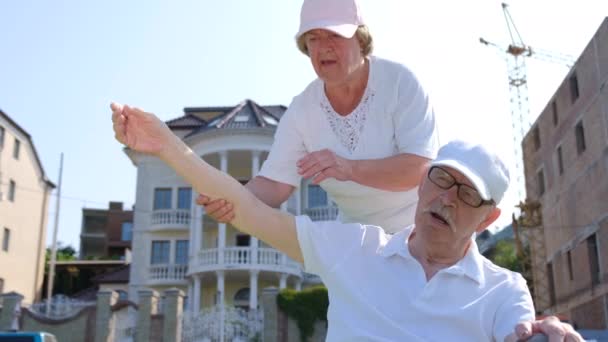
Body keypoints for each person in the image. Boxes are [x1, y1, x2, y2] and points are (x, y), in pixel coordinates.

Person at [111, 103, 583, 341]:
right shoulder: (355, 250)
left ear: (490, 218)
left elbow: (520, 336)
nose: (447, 199)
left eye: (468, 193)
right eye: (441, 179)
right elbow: (250, 210)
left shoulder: (504, 291)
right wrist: (167, 147)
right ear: (421, 183)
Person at [198, 0, 439, 233]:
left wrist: (348, 168)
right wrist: (232, 198)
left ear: (361, 39)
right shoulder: (301, 111)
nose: (324, 47)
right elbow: (274, 183)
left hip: (427, 230)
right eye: (313, 38)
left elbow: (418, 169)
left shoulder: (399, 82)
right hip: (359, 240)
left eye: (335, 35)